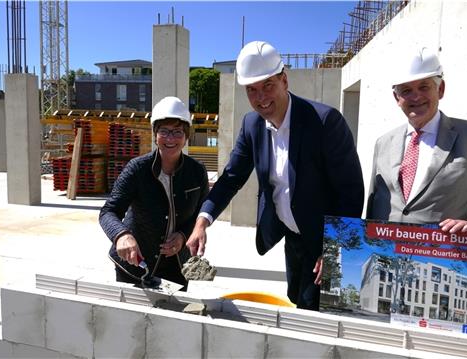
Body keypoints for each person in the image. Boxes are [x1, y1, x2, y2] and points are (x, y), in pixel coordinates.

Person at [186, 41, 364, 310]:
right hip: (291, 238)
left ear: (284, 80)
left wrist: (335, 248)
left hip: (323, 240)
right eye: (252, 90)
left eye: (268, 85)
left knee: (317, 312)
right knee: (296, 300)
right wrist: (203, 220)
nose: (261, 97)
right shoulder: (252, 125)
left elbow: (350, 191)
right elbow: (232, 177)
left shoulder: (325, 122)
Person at [367, 47, 467, 231]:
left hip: (441, 257)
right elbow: (374, 201)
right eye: (406, 90)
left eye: (424, 87)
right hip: (385, 254)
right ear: (397, 97)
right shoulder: (384, 142)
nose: (416, 96)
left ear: (440, 89)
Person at [99, 96, 209, 288]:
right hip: (135, 263)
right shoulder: (137, 168)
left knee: (172, 315)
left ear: (186, 135)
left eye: (177, 132)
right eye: (164, 131)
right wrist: (121, 235)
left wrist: (183, 235)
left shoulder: (196, 172)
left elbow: (202, 214)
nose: (170, 139)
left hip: (176, 265)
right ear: (155, 133)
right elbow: (109, 211)